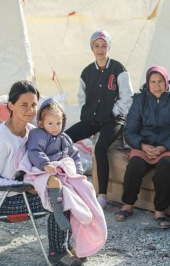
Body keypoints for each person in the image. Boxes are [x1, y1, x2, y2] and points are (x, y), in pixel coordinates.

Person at [0, 81, 82, 266]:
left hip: (23, 190)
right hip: (2, 201)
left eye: (33, 104)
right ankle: (57, 252)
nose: (30, 109)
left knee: (68, 191)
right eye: (24, 104)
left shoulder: (30, 131)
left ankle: (67, 246)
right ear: (10, 105)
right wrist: (28, 188)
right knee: (60, 199)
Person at [114, 66, 170, 229]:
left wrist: (163, 148)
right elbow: (130, 131)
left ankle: (160, 211)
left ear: (166, 82)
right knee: (134, 165)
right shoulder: (139, 99)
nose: (157, 86)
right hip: (145, 145)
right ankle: (128, 205)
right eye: (153, 82)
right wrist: (143, 145)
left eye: (160, 81)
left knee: (165, 167)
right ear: (148, 83)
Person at [65, 30, 133, 209]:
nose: (100, 49)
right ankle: (64, 182)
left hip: (113, 120)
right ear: (92, 48)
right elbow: (81, 97)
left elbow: (127, 97)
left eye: (104, 46)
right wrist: (87, 111)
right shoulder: (87, 72)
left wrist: (113, 112)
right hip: (93, 118)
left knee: (101, 147)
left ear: (109, 47)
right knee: (64, 138)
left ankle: (101, 195)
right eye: (97, 46)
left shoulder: (118, 69)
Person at [27, 97, 84, 231]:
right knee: (55, 183)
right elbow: (34, 150)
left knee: (83, 185)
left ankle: (83, 209)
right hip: (45, 169)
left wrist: (78, 172)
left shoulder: (64, 138)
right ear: (41, 123)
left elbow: (74, 154)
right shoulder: (38, 134)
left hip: (61, 170)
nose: (55, 127)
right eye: (50, 123)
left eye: (58, 123)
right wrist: (45, 164)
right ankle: (57, 208)